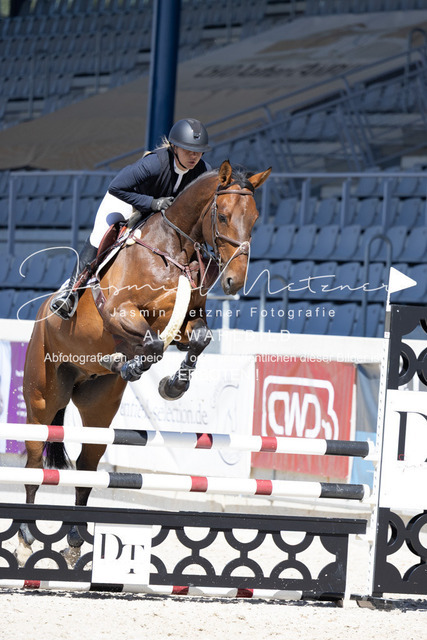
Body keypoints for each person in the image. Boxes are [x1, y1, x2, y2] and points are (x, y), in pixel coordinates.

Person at [50, 118, 211, 320]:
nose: (194, 156)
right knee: (100, 235)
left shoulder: (202, 171)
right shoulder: (154, 164)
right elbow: (116, 187)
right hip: (127, 201)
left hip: (159, 214)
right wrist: (152, 203)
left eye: (198, 151)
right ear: (175, 147)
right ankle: (70, 291)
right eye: (188, 150)